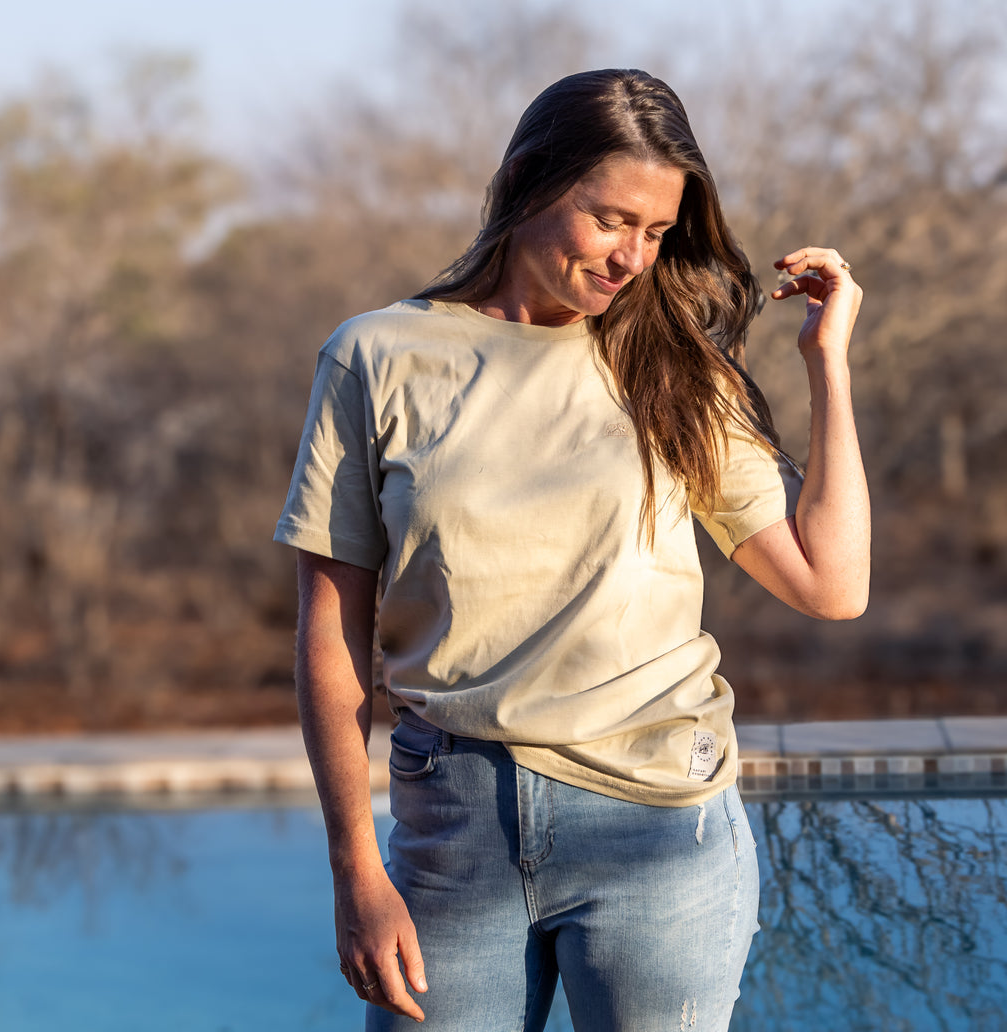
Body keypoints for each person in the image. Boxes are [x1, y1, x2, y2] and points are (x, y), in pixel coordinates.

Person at [274, 68, 868, 1032]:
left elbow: (830, 585)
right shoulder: (377, 356)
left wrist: (826, 364)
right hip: (452, 827)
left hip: (661, 827)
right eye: (609, 219)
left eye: (658, 232)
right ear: (526, 184)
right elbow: (331, 622)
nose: (633, 256)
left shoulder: (674, 368)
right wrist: (354, 868)